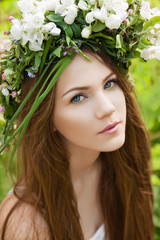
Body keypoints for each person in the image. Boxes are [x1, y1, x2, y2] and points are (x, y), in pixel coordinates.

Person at [0, 0, 159, 239]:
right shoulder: (27, 222)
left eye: (109, 83)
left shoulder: (124, 170)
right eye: (78, 98)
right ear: (46, 118)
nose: (107, 108)